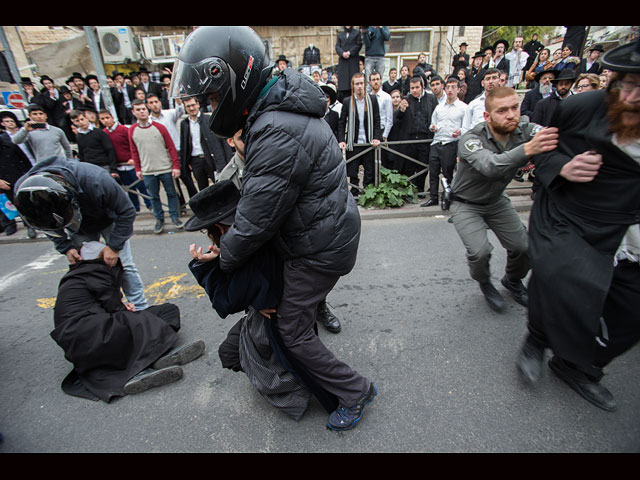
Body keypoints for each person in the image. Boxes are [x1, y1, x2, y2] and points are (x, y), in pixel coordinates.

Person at [170, 25, 377, 431]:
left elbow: (256, 219)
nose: (212, 107)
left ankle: (355, 390)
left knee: (292, 330)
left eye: (213, 97)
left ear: (233, 77)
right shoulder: (274, 112)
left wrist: (222, 259)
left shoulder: (276, 127)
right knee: (278, 310)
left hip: (317, 248)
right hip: (317, 233)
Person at [516, 39, 640, 412]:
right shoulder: (582, 107)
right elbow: (543, 149)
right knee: (556, 278)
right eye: (627, 85)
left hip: (630, 230)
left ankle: (576, 364)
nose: (633, 99)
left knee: (631, 311)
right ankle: (537, 338)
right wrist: (563, 168)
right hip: (572, 216)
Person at [50, 239, 205, 402]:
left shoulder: (72, 277)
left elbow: (105, 306)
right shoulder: (97, 271)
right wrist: (124, 309)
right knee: (167, 311)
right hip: (99, 335)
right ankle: (151, 360)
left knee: (145, 318)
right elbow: (115, 309)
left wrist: (122, 308)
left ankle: (148, 363)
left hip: (80, 347)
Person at [449, 86, 559, 312]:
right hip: (466, 204)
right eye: (502, 111)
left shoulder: (524, 129)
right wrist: (528, 149)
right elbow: (491, 166)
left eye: (514, 107)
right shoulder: (471, 139)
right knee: (480, 252)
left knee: (524, 247)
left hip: (496, 201)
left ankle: (512, 280)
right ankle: (484, 282)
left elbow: (554, 136)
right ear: (487, 116)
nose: (511, 115)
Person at [13, 157, 150, 311]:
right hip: (79, 228)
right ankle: (106, 310)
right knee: (87, 269)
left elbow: (127, 211)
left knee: (124, 265)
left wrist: (114, 247)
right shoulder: (23, 192)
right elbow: (47, 224)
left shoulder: (95, 179)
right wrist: (65, 247)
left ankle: (140, 308)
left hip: (108, 219)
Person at [128, 99, 184, 234]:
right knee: (153, 197)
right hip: (148, 170)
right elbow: (134, 151)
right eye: (138, 110)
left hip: (165, 168)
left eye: (143, 109)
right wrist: (138, 169)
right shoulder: (132, 130)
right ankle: (159, 219)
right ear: (133, 112)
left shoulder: (159, 127)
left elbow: (171, 147)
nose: (142, 112)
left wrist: (175, 166)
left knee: (171, 194)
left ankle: (175, 217)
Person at [422, 76, 469, 207]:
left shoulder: (463, 108)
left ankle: (447, 198)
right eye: (448, 87)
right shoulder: (439, 107)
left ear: (458, 90)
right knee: (433, 172)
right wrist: (433, 127)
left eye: (453, 87)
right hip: (437, 142)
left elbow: (467, 127)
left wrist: (460, 131)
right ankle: (433, 198)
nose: (450, 90)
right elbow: (433, 122)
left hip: (451, 143)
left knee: (448, 173)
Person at [99, 109, 152, 213]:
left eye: (107, 118)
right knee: (128, 189)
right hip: (119, 166)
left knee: (142, 187)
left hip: (131, 164)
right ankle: (135, 208)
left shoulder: (123, 129)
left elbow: (133, 144)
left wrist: (133, 158)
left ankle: (150, 205)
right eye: (102, 119)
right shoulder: (104, 133)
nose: (105, 120)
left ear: (112, 118)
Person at [338, 72, 382, 195]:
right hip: (354, 142)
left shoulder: (372, 99)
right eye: (357, 84)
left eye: (361, 83)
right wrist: (342, 140)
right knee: (352, 170)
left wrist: (377, 137)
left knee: (369, 170)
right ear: (353, 86)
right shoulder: (347, 101)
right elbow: (341, 122)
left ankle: (368, 192)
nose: (359, 86)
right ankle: (355, 192)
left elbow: (377, 120)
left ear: (365, 84)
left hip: (369, 142)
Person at [393, 76, 439, 194]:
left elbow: (436, 115)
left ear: (422, 87)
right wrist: (401, 110)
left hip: (425, 139)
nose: (414, 90)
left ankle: (420, 189)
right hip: (410, 139)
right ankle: (411, 190)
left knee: (423, 166)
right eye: (412, 88)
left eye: (417, 87)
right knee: (409, 167)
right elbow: (397, 118)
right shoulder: (406, 99)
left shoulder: (431, 99)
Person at [179, 96, 233, 190]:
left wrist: (227, 160)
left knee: (222, 186)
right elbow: (184, 145)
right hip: (196, 161)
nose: (191, 108)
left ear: (198, 104)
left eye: (193, 105)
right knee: (203, 190)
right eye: (188, 106)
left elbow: (223, 141)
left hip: (212, 159)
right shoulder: (184, 124)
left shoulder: (209, 119)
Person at [0, 132, 35, 237]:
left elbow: (25, 161)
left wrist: (29, 176)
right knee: (13, 204)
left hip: (18, 178)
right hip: (4, 183)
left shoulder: (10, 145)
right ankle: (12, 225)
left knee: (25, 203)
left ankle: (30, 225)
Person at [70, 109, 118, 176]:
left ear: (86, 118)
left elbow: (110, 150)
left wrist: (113, 169)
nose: (81, 122)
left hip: (104, 166)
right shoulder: (78, 136)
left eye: (82, 119)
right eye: (77, 121)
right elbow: (82, 154)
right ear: (74, 123)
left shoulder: (99, 132)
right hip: (89, 168)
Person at [335, 26, 363, 103]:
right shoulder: (340, 34)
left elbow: (358, 45)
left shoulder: (356, 33)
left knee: (353, 84)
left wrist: (349, 52)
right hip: (343, 63)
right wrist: (342, 53)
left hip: (352, 62)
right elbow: (337, 46)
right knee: (344, 88)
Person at [369, 71, 393, 142]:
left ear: (381, 80)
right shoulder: (367, 97)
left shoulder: (386, 97)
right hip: (370, 130)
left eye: (377, 79)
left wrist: (385, 135)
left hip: (381, 130)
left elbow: (389, 119)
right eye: (373, 80)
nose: (376, 82)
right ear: (370, 82)